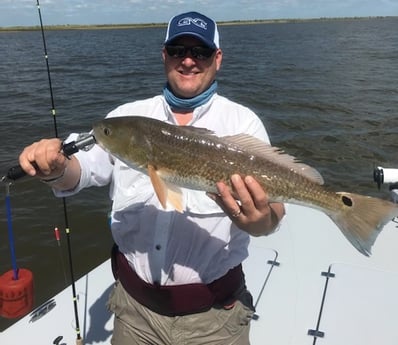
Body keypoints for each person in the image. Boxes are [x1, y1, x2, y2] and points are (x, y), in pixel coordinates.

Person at [19, 11, 285, 345]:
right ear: (164, 55)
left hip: (216, 318)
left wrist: (260, 223)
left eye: (200, 52)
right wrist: (56, 168)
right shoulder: (126, 121)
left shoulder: (243, 124)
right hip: (134, 313)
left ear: (217, 59)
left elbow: (272, 215)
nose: (188, 61)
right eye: (177, 50)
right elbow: (82, 169)